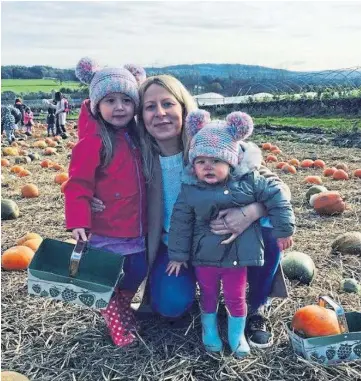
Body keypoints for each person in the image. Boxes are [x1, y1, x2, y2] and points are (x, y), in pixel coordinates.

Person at [89, 74, 291, 348]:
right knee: (170, 305)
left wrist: (249, 213)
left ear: (184, 109)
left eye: (167, 104)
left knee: (268, 226)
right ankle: (203, 298)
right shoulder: (137, 158)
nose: (160, 113)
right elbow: (101, 177)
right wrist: (91, 196)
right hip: (178, 248)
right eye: (150, 107)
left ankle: (255, 307)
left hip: (229, 242)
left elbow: (278, 188)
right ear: (141, 115)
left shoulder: (212, 144)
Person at [166, 110, 295, 357]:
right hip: (204, 257)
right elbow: (180, 222)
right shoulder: (190, 189)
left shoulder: (249, 182)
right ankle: (209, 330)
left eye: (216, 161)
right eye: (201, 161)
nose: (208, 167)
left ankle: (237, 334)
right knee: (208, 295)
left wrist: (283, 230)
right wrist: (178, 255)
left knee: (236, 296)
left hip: (237, 258)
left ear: (231, 162)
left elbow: (277, 196)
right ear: (193, 165)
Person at [64, 57, 148, 347]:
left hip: (135, 227)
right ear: (96, 105)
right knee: (105, 279)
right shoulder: (92, 142)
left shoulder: (138, 137)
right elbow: (77, 184)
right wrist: (78, 219)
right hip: (106, 228)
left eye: (126, 99)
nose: (119, 107)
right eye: (110, 100)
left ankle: (123, 306)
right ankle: (116, 324)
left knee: (137, 270)